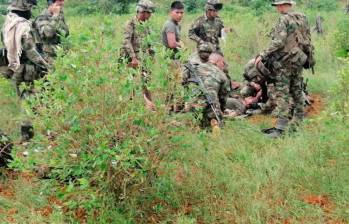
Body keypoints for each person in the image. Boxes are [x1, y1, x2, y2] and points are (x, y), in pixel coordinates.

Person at [255, 0, 314, 138]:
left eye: (278, 5)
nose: (277, 8)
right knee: (297, 90)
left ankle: (280, 129)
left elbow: (279, 42)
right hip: (298, 59)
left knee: (282, 92)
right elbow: (308, 38)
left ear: (283, 5)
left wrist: (262, 54)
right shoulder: (302, 17)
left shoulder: (284, 19)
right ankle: (298, 121)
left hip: (284, 62)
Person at [2, 0, 50, 141]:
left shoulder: (9, 21)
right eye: (30, 6)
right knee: (29, 100)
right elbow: (30, 50)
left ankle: (28, 134)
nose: (31, 9)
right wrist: (45, 64)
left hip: (14, 67)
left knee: (25, 99)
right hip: (27, 70)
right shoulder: (22, 25)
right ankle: (27, 136)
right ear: (24, 7)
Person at [182, 44, 231, 128]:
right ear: (210, 54)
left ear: (198, 53)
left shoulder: (189, 68)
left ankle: (197, 124)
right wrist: (222, 108)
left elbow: (181, 83)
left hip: (194, 106)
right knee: (214, 118)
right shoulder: (219, 71)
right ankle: (213, 124)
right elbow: (224, 93)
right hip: (212, 106)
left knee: (193, 118)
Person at [119, 0, 155, 110]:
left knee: (147, 82)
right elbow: (126, 42)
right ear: (142, 12)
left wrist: (152, 55)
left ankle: (149, 106)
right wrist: (133, 58)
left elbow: (149, 41)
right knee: (131, 84)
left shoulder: (145, 24)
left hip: (143, 58)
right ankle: (129, 107)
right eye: (148, 13)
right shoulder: (130, 24)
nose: (149, 16)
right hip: (130, 58)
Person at [33, 0, 69, 64]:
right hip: (48, 58)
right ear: (51, 4)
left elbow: (65, 34)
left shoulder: (60, 15)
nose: (62, 3)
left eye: (63, 0)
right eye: (60, 1)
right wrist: (55, 16)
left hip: (61, 55)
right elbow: (48, 33)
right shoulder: (42, 17)